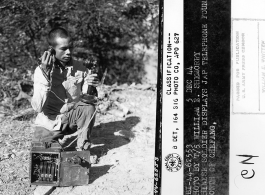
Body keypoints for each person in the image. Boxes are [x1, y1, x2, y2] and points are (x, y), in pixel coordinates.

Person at [31, 27, 99, 151]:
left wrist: (91, 86)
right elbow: (37, 107)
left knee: (88, 108)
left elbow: (86, 100)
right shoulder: (40, 71)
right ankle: (56, 144)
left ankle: (83, 149)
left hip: (70, 120)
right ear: (51, 50)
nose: (68, 52)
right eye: (63, 49)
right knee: (46, 154)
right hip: (48, 124)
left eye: (70, 48)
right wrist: (45, 74)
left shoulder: (81, 68)